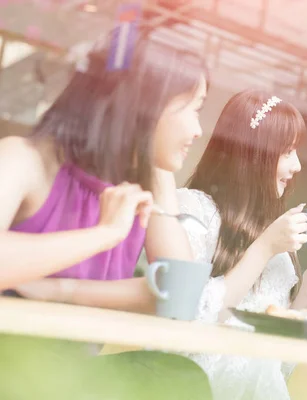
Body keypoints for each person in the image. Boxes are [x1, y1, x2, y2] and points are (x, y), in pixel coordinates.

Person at [0, 34, 212, 399]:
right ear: (147, 107)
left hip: (68, 377)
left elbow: (178, 295)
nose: (198, 130)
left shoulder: (137, 188)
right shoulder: (24, 159)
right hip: (11, 368)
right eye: (193, 108)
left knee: (179, 377)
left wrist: (59, 289)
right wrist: (103, 234)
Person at [176, 89, 307, 400]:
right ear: (251, 154)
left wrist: (306, 295)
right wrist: (265, 248)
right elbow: (190, 318)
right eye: (287, 152)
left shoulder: (272, 235)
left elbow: (276, 362)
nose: (297, 166)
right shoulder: (193, 209)